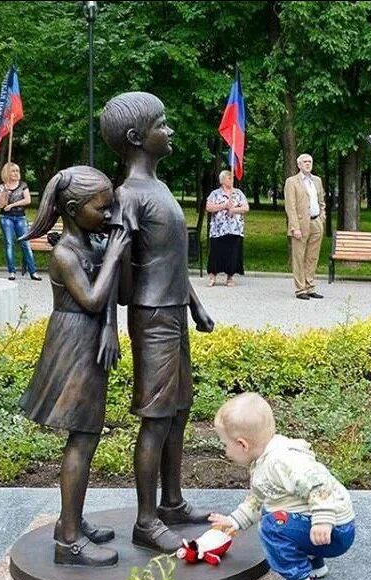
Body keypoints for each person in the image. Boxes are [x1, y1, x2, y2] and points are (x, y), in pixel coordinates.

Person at [100, 91, 215, 553]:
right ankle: (146, 521)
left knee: (179, 410)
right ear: (136, 138)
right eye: (161, 124)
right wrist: (108, 325)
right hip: (151, 317)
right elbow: (113, 264)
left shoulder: (160, 188)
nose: (170, 131)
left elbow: (169, 259)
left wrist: (194, 302)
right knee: (155, 416)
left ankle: (171, 501)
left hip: (172, 311)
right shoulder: (128, 196)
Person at [18, 166, 130, 566]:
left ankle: (72, 520)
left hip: (88, 337)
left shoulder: (87, 244)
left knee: (88, 435)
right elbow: (96, 298)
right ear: (71, 208)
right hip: (73, 344)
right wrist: (115, 254)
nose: (109, 215)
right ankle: (68, 541)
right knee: (82, 437)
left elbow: (109, 298)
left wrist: (112, 328)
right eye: (102, 209)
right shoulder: (66, 253)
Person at [208, 393, 355, 580]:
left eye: (225, 445)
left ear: (242, 444)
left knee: (273, 524)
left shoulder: (282, 461)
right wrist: (234, 521)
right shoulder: (264, 459)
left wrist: (323, 519)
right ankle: (312, 563)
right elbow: (258, 499)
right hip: (325, 528)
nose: (225, 451)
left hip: (334, 530)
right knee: (275, 509)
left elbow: (318, 484)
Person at [284, 153, 326, 300]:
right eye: (305, 162)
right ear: (299, 165)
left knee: (312, 257)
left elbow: (321, 201)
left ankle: (310, 286)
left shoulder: (317, 180)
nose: (308, 164)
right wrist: (294, 227)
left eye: (310, 161)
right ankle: (300, 289)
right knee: (299, 256)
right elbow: (290, 206)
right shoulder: (292, 182)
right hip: (301, 224)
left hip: (316, 222)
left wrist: (322, 217)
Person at [0, 162, 39, 281]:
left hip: (20, 217)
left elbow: (27, 200)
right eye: (13, 171)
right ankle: (12, 271)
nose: (15, 173)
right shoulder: (1, 187)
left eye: (17, 171)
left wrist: (13, 205)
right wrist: (5, 193)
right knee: (9, 244)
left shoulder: (23, 185)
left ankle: (33, 271)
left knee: (25, 244)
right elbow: (1, 205)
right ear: (7, 173)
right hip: (6, 218)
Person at [205, 169, 248, 287]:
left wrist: (234, 209)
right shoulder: (215, 194)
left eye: (232, 178)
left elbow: (246, 208)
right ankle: (212, 276)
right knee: (216, 253)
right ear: (222, 180)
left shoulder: (238, 193)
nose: (232, 180)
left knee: (233, 253)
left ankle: (230, 277)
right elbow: (209, 207)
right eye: (229, 178)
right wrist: (224, 206)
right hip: (218, 229)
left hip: (235, 228)